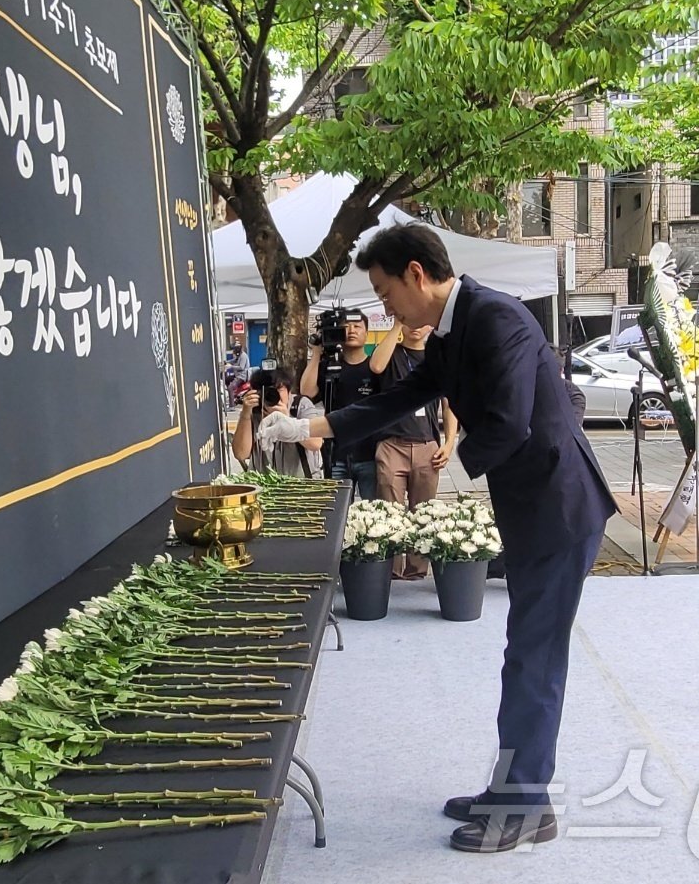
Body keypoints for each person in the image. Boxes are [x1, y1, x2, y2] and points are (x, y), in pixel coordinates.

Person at [257, 223, 617, 854]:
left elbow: (507, 421)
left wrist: (443, 463)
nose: (383, 306)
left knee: (535, 656)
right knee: (523, 653)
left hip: (559, 509)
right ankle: (512, 788)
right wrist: (310, 427)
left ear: (417, 275)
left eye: (384, 290)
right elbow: (404, 394)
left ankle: (527, 804)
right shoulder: (456, 326)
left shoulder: (495, 318)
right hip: (533, 505)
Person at [368, 322, 459, 579]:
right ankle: (393, 571)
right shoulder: (391, 353)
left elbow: (449, 404)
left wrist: (449, 442)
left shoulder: (436, 358)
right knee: (390, 511)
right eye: (409, 322)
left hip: (426, 444)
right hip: (391, 442)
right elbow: (375, 366)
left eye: (419, 322)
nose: (415, 327)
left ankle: (417, 571)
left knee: (424, 510)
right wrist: (397, 324)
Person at [300, 311, 382, 499]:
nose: (352, 330)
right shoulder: (329, 367)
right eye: (346, 326)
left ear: (367, 332)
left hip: (370, 454)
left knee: (373, 511)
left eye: (357, 326)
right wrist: (316, 354)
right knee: (338, 511)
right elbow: (307, 392)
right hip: (337, 454)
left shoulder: (375, 367)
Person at [231, 365, 324, 478]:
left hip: (302, 486)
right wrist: (245, 414)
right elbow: (241, 454)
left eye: (278, 389)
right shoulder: (253, 411)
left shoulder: (300, 406)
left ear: (289, 392)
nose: (273, 395)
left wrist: (288, 419)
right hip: (265, 486)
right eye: (268, 391)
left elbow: (316, 443)